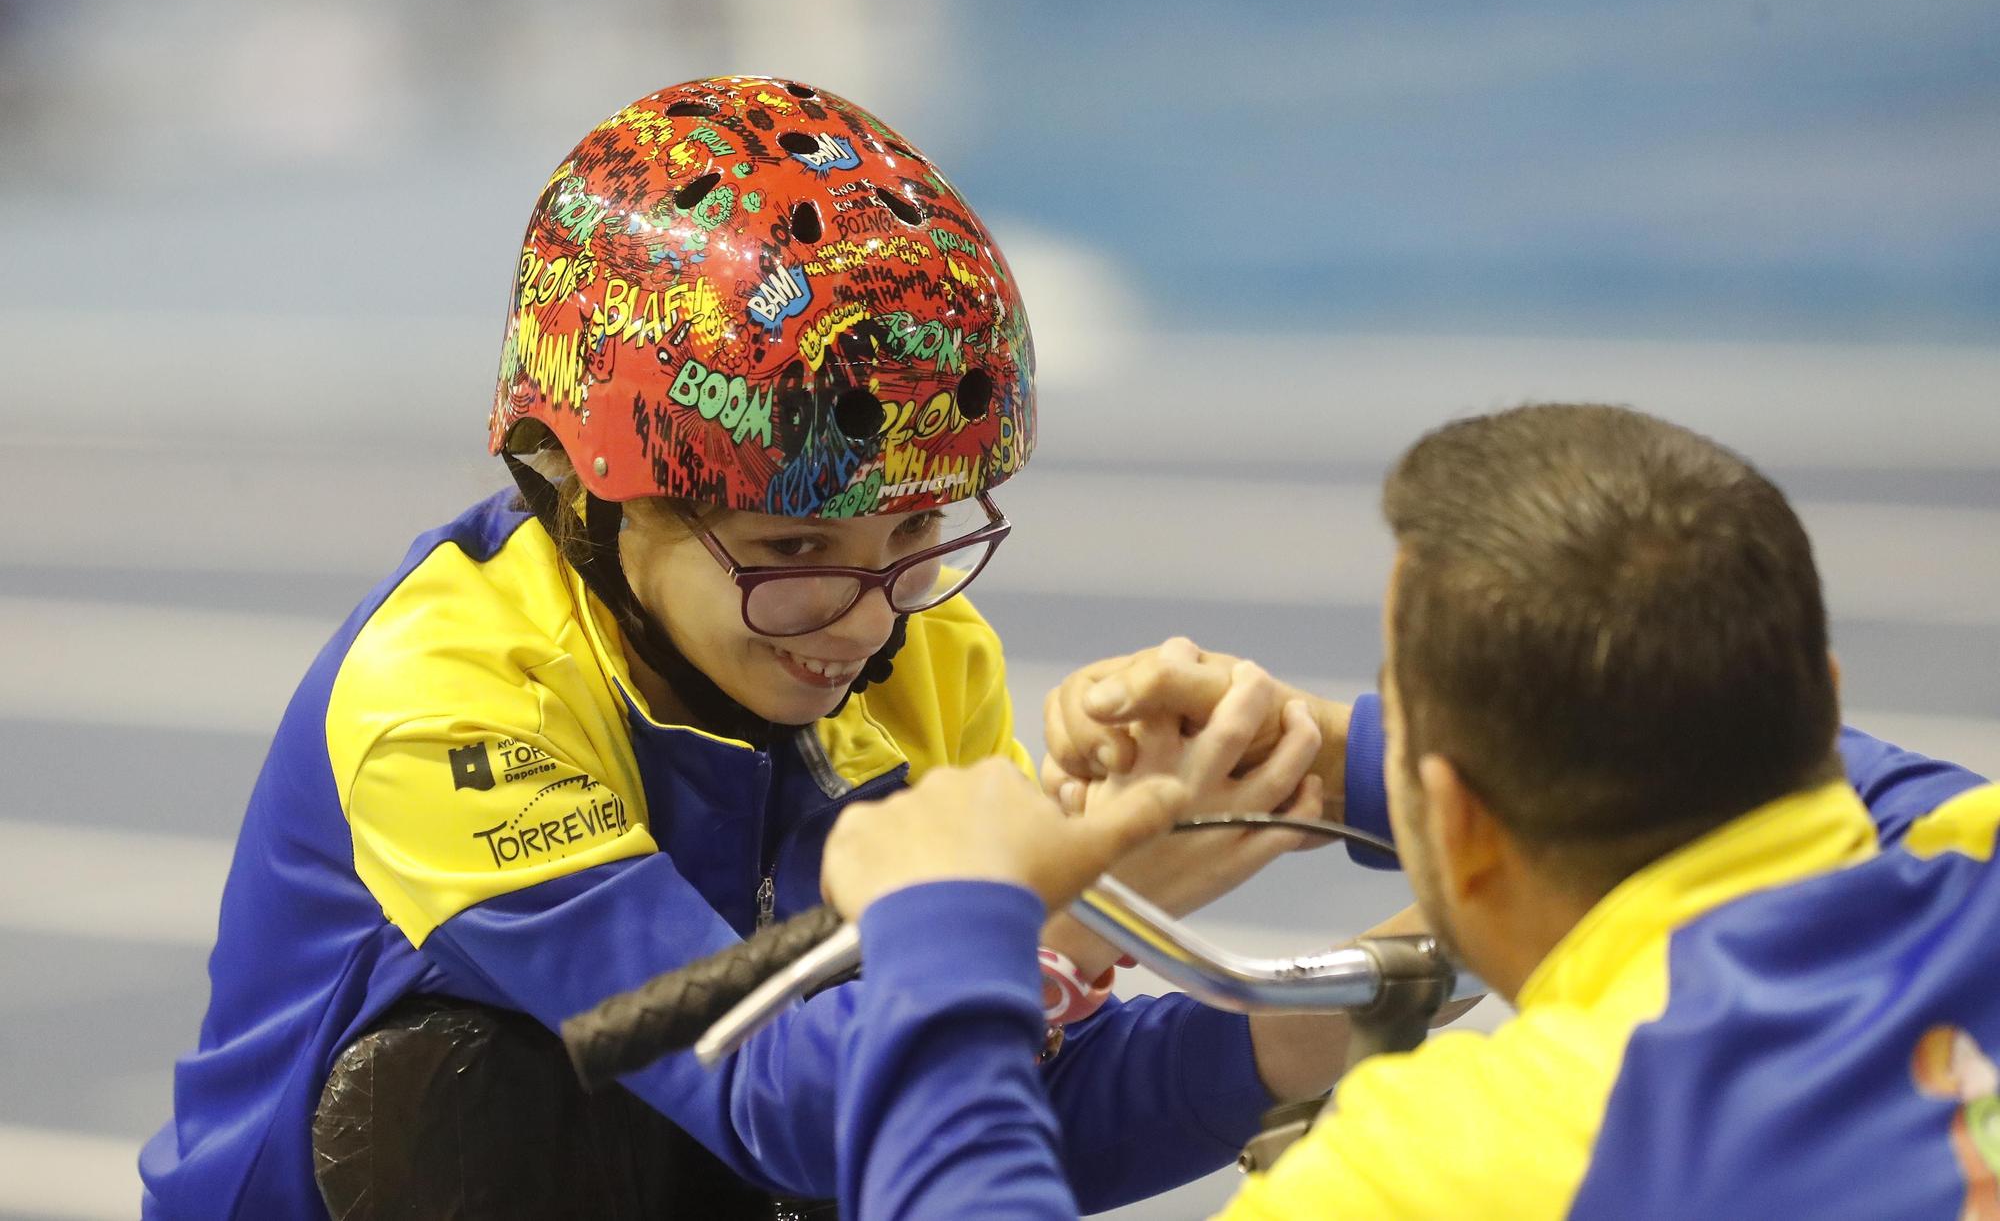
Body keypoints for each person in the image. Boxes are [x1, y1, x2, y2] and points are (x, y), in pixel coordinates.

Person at [137, 76, 1376, 1220]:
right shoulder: (455, 702)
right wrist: (1061, 925)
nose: (865, 613)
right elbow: (764, 1096)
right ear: (587, 486)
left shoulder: (926, 647)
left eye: (914, 530)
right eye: (791, 551)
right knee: (477, 1090)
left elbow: (977, 1106)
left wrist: (1346, 1005)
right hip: (479, 1166)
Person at [817, 402, 2000, 1219]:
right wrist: (1339, 753)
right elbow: (1839, 772)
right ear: (1823, 693)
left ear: (1460, 822)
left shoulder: (1469, 1167)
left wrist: (945, 953)